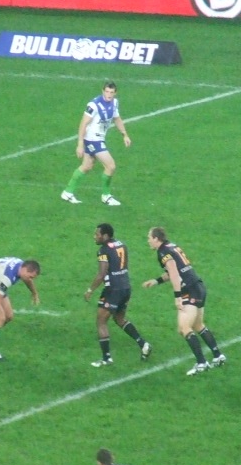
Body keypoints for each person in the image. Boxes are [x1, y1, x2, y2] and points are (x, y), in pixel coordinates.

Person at [142, 227, 226, 376]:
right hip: (198, 286)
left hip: (189, 290)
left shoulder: (163, 252)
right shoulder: (171, 246)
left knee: (184, 327)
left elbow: (174, 273)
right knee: (198, 325)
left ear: (156, 239)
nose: (148, 240)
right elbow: (176, 270)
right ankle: (218, 356)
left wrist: (178, 297)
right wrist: (156, 281)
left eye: (149, 237)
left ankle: (201, 363)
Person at [84, 223, 152, 367]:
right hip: (125, 287)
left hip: (113, 290)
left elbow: (101, 273)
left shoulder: (103, 250)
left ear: (105, 236)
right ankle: (143, 344)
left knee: (101, 321)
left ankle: (106, 358)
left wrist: (90, 290)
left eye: (97, 234)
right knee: (119, 319)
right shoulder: (121, 244)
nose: (95, 237)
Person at [61, 80, 131, 207]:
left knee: (87, 166)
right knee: (111, 166)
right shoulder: (94, 105)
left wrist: (124, 134)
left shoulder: (114, 103)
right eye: (107, 91)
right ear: (102, 91)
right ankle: (106, 196)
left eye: (111, 92)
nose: (109, 94)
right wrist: (80, 144)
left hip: (99, 138)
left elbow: (117, 119)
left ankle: (67, 192)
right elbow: (83, 123)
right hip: (92, 139)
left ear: (115, 93)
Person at [0, 257, 41, 362]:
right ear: (25, 270)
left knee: (9, 316)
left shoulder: (21, 266)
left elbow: (27, 280)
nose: (31, 279)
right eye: (31, 277)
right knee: (0, 318)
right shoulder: (7, 278)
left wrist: (34, 293)